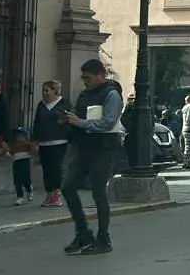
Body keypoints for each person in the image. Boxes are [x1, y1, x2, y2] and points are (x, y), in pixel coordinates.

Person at [60, 59, 125, 255]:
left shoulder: (112, 95)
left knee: (98, 193)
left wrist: (81, 123)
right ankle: (83, 233)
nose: (85, 81)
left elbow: (108, 122)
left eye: (88, 78)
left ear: (100, 75)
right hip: (82, 148)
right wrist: (68, 120)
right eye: (83, 77)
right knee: (68, 187)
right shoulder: (85, 94)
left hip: (102, 150)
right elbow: (80, 118)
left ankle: (103, 239)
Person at [32, 79, 73, 208]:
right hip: (44, 142)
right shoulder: (41, 105)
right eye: (43, 91)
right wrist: (35, 141)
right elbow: (37, 124)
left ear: (55, 91)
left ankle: (57, 194)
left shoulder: (64, 104)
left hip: (59, 141)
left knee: (56, 169)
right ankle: (49, 195)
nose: (44, 93)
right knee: (46, 169)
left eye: (47, 90)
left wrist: (63, 123)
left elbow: (69, 120)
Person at [8, 127, 35, 205]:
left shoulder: (28, 145)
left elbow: (33, 151)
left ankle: (29, 190)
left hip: (25, 163)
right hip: (16, 164)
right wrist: (5, 152)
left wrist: (33, 152)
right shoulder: (13, 146)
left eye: (21, 135)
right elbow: (10, 154)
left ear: (25, 136)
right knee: (17, 181)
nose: (19, 137)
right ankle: (20, 197)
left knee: (26, 179)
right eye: (17, 135)